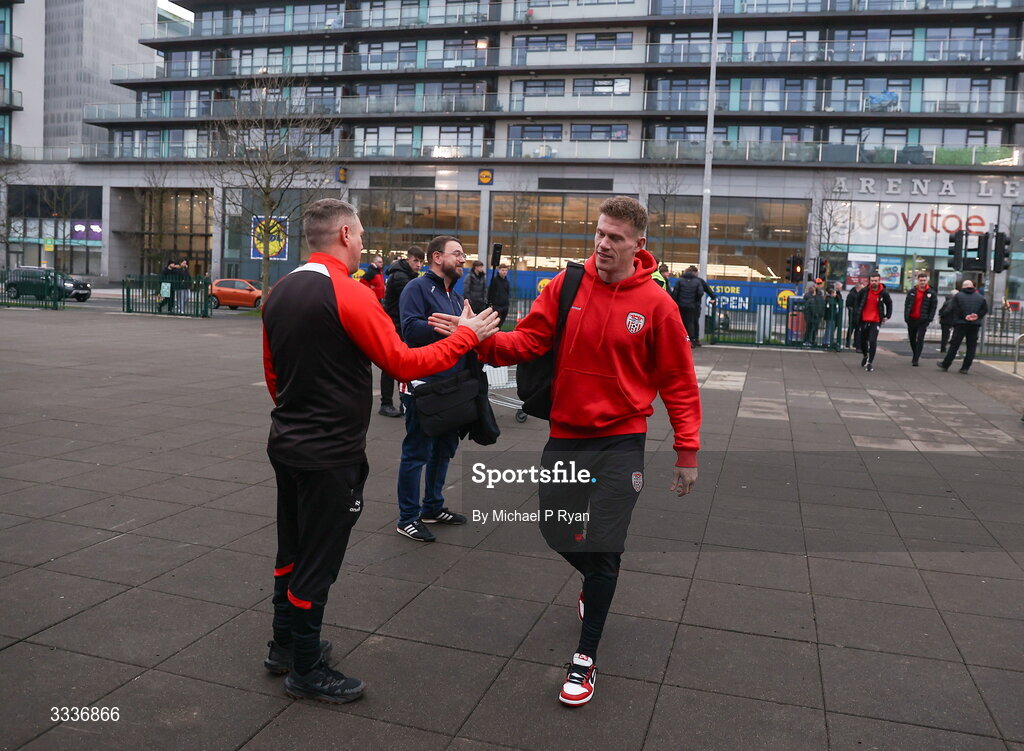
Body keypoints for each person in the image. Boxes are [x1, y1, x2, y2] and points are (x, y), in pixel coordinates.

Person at [433, 197, 700, 706]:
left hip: (621, 440)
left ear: (638, 245)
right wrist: (477, 342)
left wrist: (687, 452)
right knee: (559, 531)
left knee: (602, 546)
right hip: (568, 436)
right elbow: (527, 343)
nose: (602, 244)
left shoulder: (658, 306)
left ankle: (586, 658)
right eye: (600, 233)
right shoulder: (567, 285)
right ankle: (597, 580)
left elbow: (680, 384)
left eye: (615, 237)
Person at [261, 200, 498, 703]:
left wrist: (299, 417)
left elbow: (274, 375)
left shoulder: (279, 291)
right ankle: (304, 669)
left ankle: (284, 646)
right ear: (344, 233)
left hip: (287, 443)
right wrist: (466, 336)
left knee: (291, 549)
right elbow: (403, 363)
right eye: (362, 233)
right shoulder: (347, 294)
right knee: (318, 562)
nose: (365, 242)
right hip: (331, 453)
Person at [396, 235, 482, 542]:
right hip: (424, 387)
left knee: (444, 451)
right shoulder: (416, 288)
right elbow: (410, 329)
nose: (462, 259)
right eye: (456, 254)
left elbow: (462, 337)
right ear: (436, 257)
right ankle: (407, 517)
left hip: (452, 390)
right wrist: (455, 327)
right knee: (417, 453)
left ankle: (432, 506)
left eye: (463, 255)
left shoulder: (456, 297)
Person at [379, 246, 425, 418]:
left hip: (398, 324)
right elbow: (414, 297)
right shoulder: (400, 277)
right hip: (395, 324)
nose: (419, 265)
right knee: (392, 366)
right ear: (408, 259)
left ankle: (398, 402)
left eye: (421, 262)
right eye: (416, 261)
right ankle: (387, 403)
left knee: (398, 365)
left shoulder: (405, 275)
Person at [937, 279, 987, 374]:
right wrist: (976, 316)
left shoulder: (958, 296)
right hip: (974, 324)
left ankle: (946, 364)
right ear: (973, 286)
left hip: (960, 323)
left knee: (954, 345)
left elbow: (955, 308)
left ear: (963, 287)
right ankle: (965, 367)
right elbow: (984, 309)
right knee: (971, 346)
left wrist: (965, 316)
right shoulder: (980, 297)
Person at [851, 272, 892, 372]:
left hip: (876, 320)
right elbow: (857, 302)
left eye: (876, 281)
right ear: (869, 281)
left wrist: (887, 316)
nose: (874, 282)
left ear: (879, 281)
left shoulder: (884, 292)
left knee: (872, 341)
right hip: (864, 319)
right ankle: (865, 356)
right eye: (872, 280)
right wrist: (857, 313)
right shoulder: (864, 291)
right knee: (863, 341)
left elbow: (889, 303)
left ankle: (870, 362)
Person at [670, 264, 717, 347]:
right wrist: (697, 300)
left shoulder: (680, 281)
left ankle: (682, 340)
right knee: (693, 323)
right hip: (694, 306)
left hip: (681, 305)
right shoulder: (699, 281)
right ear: (694, 273)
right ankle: (694, 340)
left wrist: (676, 302)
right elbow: (702, 292)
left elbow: (675, 293)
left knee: (682, 323)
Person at [903, 271, 938, 366]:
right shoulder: (912, 292)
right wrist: (906, 316)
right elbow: (907, 305)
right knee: (912, 338)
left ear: (927, 280)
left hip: (923, 320)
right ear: (917, 280)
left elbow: (933, 307)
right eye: (921, 280)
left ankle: (916, 358)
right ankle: (915, 353)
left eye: (924, 280)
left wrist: (929, 318)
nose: (922, 282)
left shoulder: (931, 293)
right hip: (912, 319)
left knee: (920, 338)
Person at [487, 263, 511, 329]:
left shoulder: (507, 282)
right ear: (499, 270)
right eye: (503, 270)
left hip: (505, 305)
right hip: (497, 305)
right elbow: (490, 291)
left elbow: (507, 292)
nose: (504, 272)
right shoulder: (495, 280)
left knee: (501, 323)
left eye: (506, 270)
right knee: (496, 323)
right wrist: (491, 302)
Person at [803, 280, 826, 347]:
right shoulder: (808, 295)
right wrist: (813, 296)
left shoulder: (819, 294)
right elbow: (808, 303)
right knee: (809, 328)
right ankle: (807, 341)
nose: (817, 286)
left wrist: (821, 313)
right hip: (810, 315)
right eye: (816, 284)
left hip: (817, 315)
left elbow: (821, 303)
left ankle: (813, 341)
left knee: (815, 329)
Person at [822, 282, 843, 348]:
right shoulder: (829, 299)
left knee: (831, 328)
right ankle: (826, 341)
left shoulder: (835, 297)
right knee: (829, 328)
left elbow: (840, 300)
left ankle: (828, 341)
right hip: (830, 316)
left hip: (833, 316)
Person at [845, 281, 863, 349]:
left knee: (858, 329)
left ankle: (856, 343)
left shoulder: (860, 294)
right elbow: (848, 304)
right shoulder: (851, 294)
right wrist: (852, 310)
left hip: (858, 314)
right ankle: (848, 342)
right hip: (853, 315)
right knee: (851, 328)